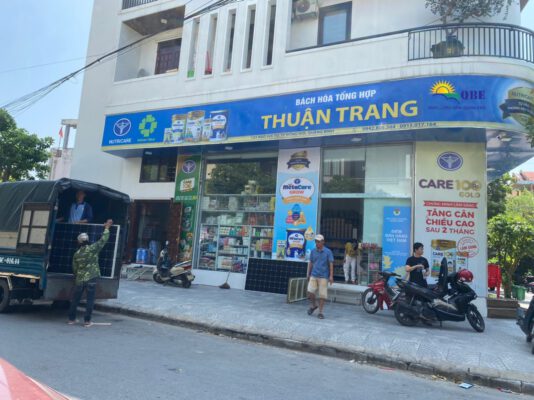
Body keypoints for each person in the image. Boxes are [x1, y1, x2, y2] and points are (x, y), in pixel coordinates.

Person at [68, 219, 113, 327]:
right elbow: (103, 240)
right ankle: (87, 321)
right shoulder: (92, 249)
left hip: (79, 279)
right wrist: (106, 228)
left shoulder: (76, 254)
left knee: (75, 299)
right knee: (90, 299)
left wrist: (77, 276)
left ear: (79, 242)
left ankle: (71, 319)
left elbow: (74, 268)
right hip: (91, 277)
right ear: (87, 240)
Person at [307, 234, 334, 320]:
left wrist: (331, 276)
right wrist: (308, 274)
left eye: (318, 242)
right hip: (314, 274)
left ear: (323, 242)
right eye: (316, 241)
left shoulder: (328, 252)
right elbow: (311, 263)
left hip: (323, 276)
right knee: (310, 291)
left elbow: (331, 264)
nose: (317, 243)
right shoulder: (313, 251)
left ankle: (320, 312)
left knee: (322, 295)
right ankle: (314, 305)